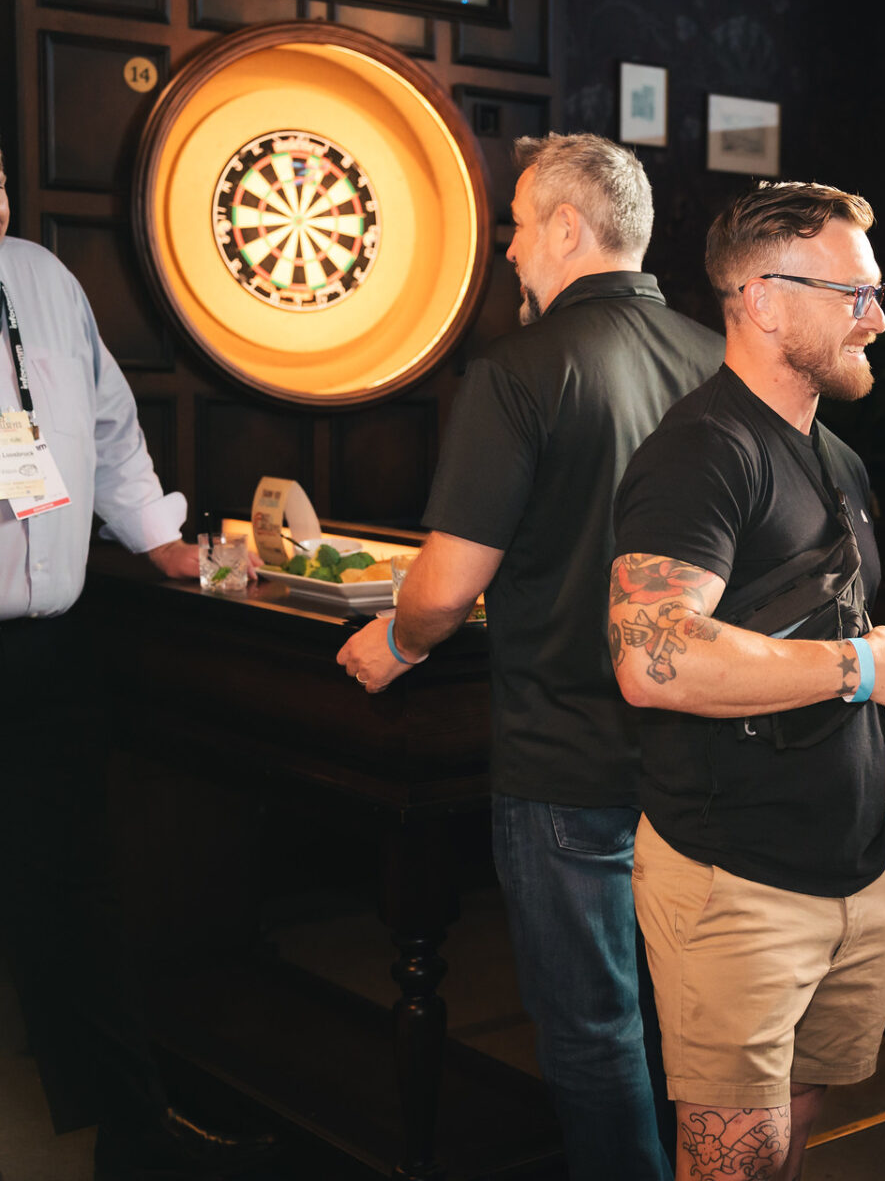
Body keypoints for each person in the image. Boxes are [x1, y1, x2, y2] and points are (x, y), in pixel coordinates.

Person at [337, 132, 722, 1180]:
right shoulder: (719, 361)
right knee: (687, 1023)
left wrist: (399, 640)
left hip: (566, 762)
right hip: (697, 757)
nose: (508, 251)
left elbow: (444, 587)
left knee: (593, 1031)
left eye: (515, 225)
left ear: (565, 227)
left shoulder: (519, 370)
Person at [607, 181, 885, 1181]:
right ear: (763, 300)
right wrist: (866, 665)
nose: (878, 318)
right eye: (854, 294)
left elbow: (812, 631)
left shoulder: (836, 457)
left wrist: (877, 780)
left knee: (793, 1133)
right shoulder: (701, 453)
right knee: (739, 1154)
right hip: (738, 878)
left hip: (852, 864)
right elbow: (651, 655)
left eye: (875, 292)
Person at [0, 147, 280, 1176]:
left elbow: (112, 429)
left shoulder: (42, 279)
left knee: (75, 889)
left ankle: (134, 1133)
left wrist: (160, 537)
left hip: (49, 649)